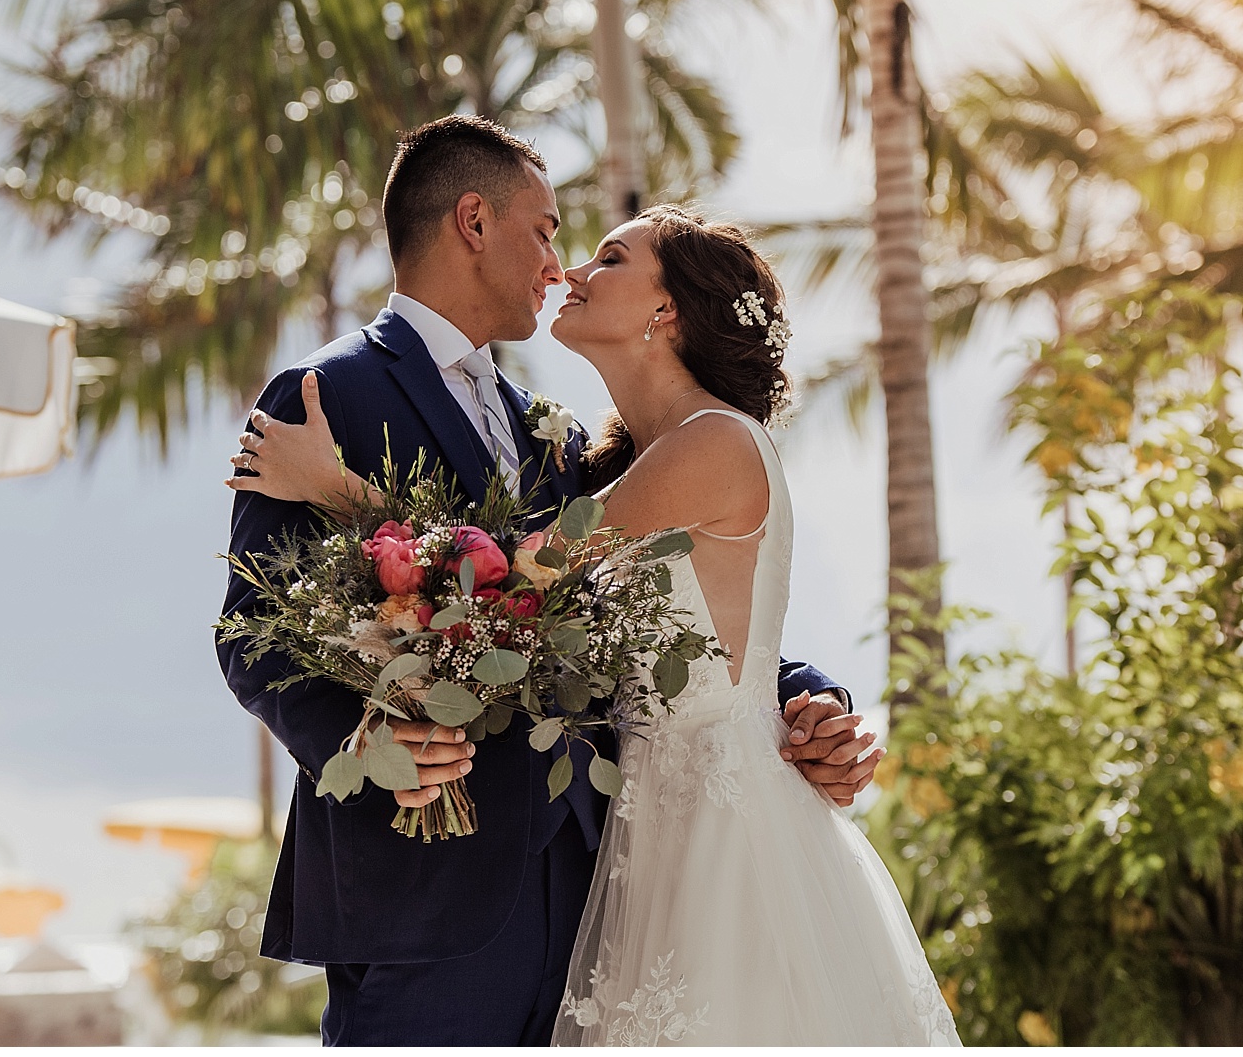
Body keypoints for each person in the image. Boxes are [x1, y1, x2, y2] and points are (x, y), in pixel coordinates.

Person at [217, 115, 877, 1047]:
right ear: (474, 221)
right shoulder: (323, 400)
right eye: (546, 227)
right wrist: (373, 746)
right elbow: (251, 635)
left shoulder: (556, 435)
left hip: (598, 898)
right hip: (422, 899)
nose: (558, 261)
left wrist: (806, 695)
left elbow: (647, 610)